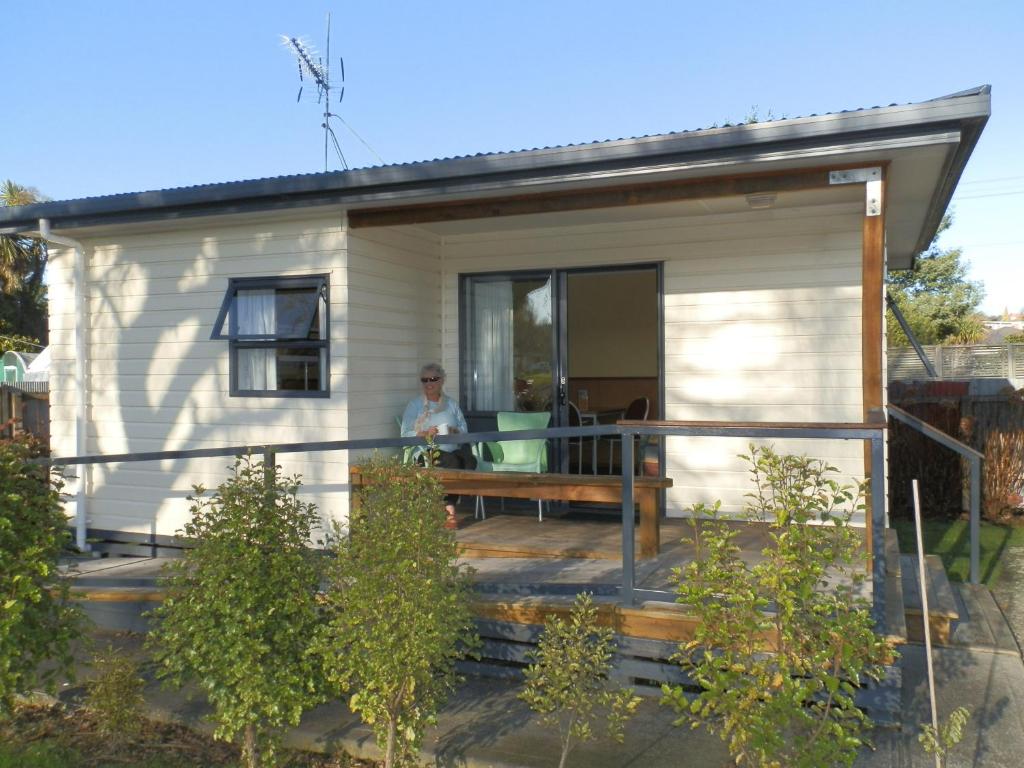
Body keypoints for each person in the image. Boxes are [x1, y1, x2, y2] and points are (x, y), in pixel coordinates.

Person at [400, 363, 476, 528]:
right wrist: (424, 433)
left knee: (469, 461)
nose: (429, 383)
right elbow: (405, 433)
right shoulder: (415, 405)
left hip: (452, 449)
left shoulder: (451, 404)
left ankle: (441, 504)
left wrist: (455, 430)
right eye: (425, 380)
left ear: (442, 381)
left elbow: (464, 431)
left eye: (433, 379)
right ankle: (450, 512)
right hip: (426, 453)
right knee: (452, 463)